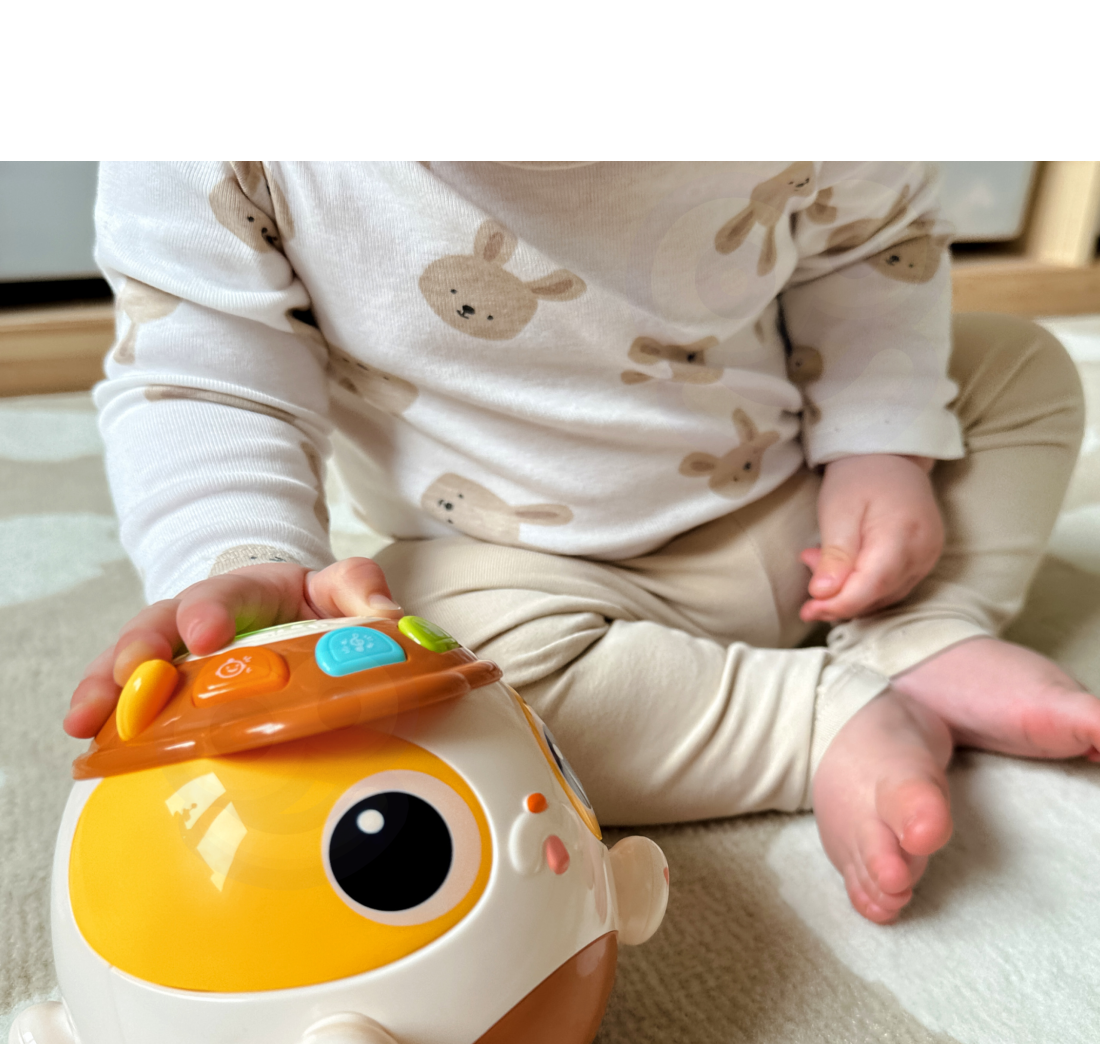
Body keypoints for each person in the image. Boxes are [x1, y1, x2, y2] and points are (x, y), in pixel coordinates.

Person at [67, 161, 1096, 924]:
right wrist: (244, 558)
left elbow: (872, 242)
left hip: (808, 509)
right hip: (521, 576)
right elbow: (205, 372)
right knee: (428, 680)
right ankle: (813, 721)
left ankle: (918, 629)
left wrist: (880, 444)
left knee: (1020, 371)